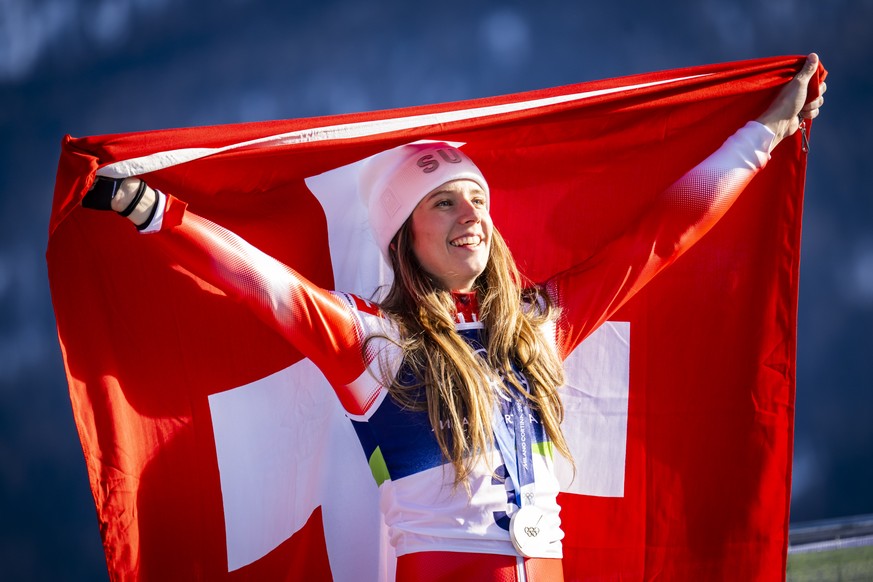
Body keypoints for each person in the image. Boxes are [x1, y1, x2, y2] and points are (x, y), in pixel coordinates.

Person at [83, 54, 825, 581]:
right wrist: (154, 212)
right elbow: (261, 284)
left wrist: (761, 136)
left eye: (477, 200)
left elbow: (658, 238)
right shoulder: (372, 341)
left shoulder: (536, 325)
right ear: (404, 237)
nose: (470, 215)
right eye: (443, 202)